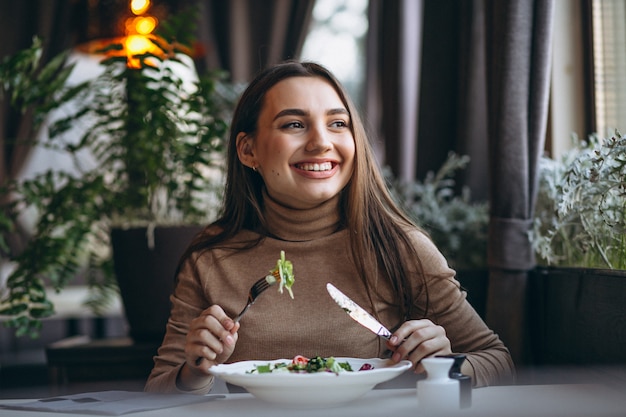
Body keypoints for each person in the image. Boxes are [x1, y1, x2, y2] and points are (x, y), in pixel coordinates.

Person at [144, 60, 515, 394]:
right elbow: (159, 388)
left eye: (338, 124)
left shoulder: (400, 248)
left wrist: (445, 365)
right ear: (248, 150)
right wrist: (194, 371)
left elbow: (498, 361)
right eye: (294, 124)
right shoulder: (211, 257)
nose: (321, 142)